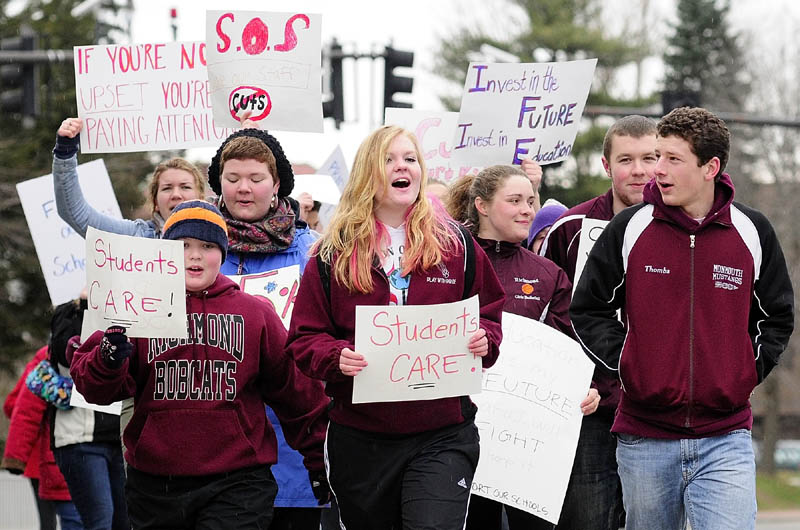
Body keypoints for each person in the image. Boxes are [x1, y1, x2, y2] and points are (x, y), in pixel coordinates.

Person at [570, 107, 795, 530]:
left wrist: (742, 371)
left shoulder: (752, 230)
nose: (658, 170)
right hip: (645, 437)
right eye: (658, 156)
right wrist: (630, 363)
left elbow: (777, 315)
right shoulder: (629, 227)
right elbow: (588, 307)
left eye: (673, 159)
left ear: (710, 167)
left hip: (725, 435)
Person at [285, 125, 505, 530]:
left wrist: (484, 339)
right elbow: (304, 339)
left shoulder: (455, 244)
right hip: (361, 436)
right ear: (369, 172)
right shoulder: (333, 252)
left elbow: (489, 313)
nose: (402, 167)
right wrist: (336, 357)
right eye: (389, 159)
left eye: (410, 158)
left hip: (442, 432)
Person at [69, 200, 330, 530]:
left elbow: (297, 394)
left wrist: (318, 460)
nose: (194, 255)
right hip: (154, 484)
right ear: (165, 252)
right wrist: (108, 358)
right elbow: (94, 388)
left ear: (222, 252)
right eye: (183, 245)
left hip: (238, 482)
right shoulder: (133, 306)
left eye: (207, 245)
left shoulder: (256, 313)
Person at [446, 165, 599, 530]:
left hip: (525, 445)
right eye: (514, 201)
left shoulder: (548, 274)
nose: (527, 210)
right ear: (482, 206)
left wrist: (583, 388)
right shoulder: (448, 260)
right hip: (455, 431)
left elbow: (567, 348)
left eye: (531, 201)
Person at [537, 114, 658, 529]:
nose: (639, 170)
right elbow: (548, 318)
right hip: (588, 406)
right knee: (588, 520)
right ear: (607, 165)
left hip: (657, 406)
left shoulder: (683, 229)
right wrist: (567, 381)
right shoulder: (571, 228)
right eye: (626, 159)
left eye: (650, 158)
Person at [206, 127, 327, 529]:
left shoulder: (313, 253)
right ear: (219, 184)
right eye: (233, 178)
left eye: (256, 179)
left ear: (276, 185)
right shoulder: (195, 252)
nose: (244, 188)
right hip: (217, 446)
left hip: (294, 442)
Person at [54, 117, 208, 239]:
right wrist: (65, 151)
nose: (176, 195)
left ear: (200, 197)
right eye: (167, 188)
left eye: (185, 187)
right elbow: (76, 214)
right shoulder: (136, 236)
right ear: (155, 202)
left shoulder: (223, 236)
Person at [48, 299, 129, 530]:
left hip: (119, 438)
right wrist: (84, 305)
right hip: (82, 439)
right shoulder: (68, 314)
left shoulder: (127, 310)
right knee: (100, 521)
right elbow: (67, 355)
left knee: (124, 523)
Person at [2, 346, 82, 530]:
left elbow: (12, 405)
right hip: (67, 455)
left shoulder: (42, 358)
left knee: (47, 523)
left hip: (36, 459)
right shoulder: (74, 354)